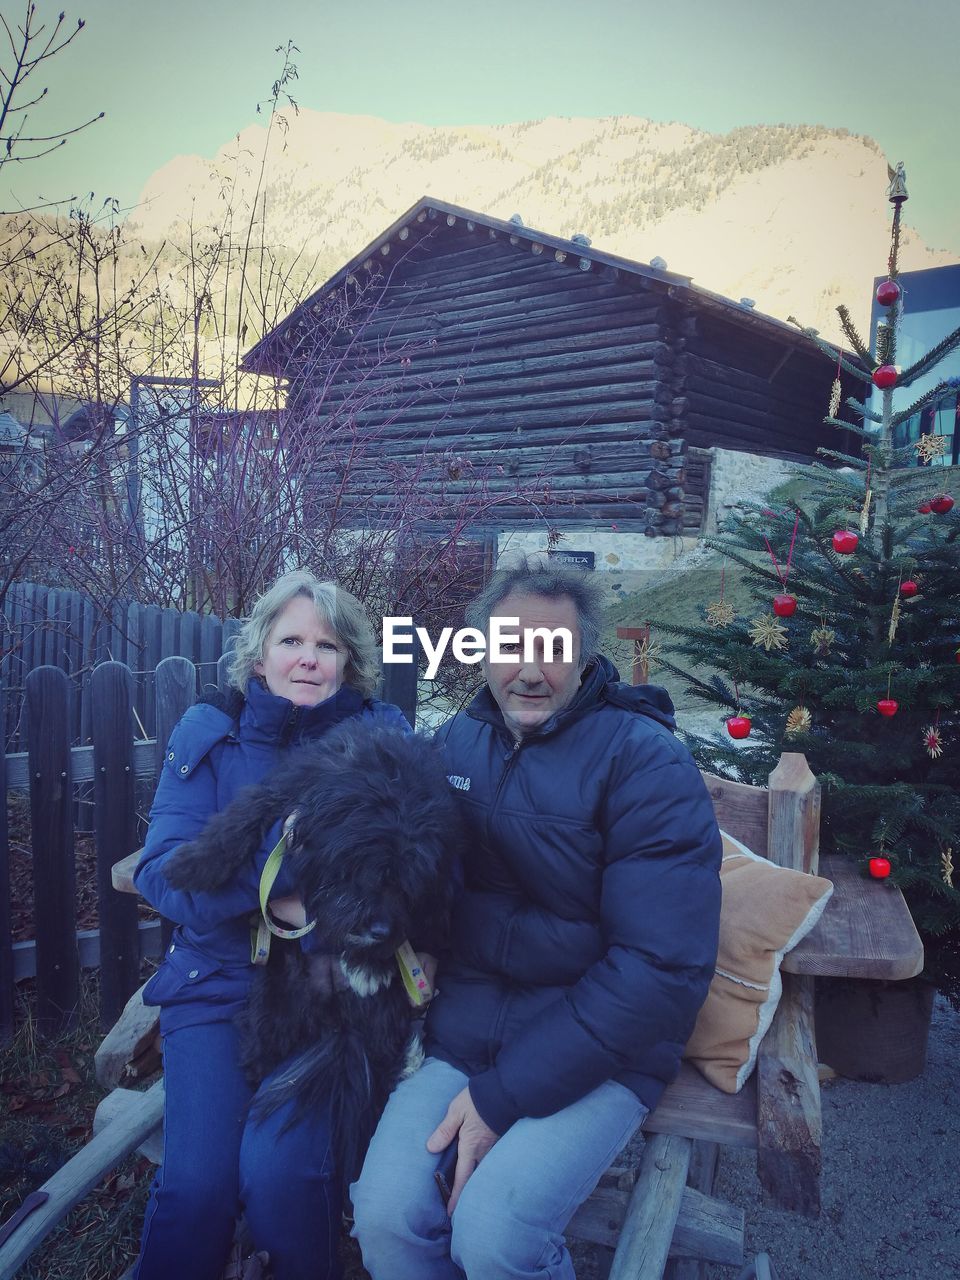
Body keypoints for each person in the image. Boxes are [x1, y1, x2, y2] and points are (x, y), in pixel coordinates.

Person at [351, 563, 723, 1280]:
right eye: (511, 647)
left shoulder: (644, 764)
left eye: (553, 651)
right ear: (481, 651)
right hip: (464, 1034)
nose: (530, 671)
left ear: (583, 659)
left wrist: (501, 1098)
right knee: (386, 1217)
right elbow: (418, 879)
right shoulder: (458, 744)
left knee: (495, 1238)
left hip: (604, 1055)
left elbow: (660, 971)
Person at [132, 569, 409, 1280]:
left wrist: (317, 902)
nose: (309, 658)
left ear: (350, 660)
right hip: (215, 985)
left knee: (281, 1177)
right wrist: (278, 882)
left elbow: (405, 881)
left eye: (328, 644)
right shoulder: (211, 733)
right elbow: (165, 873)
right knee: (198, 1188)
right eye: (291, 640)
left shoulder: (383, 740)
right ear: (259, 655)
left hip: (330, 993)